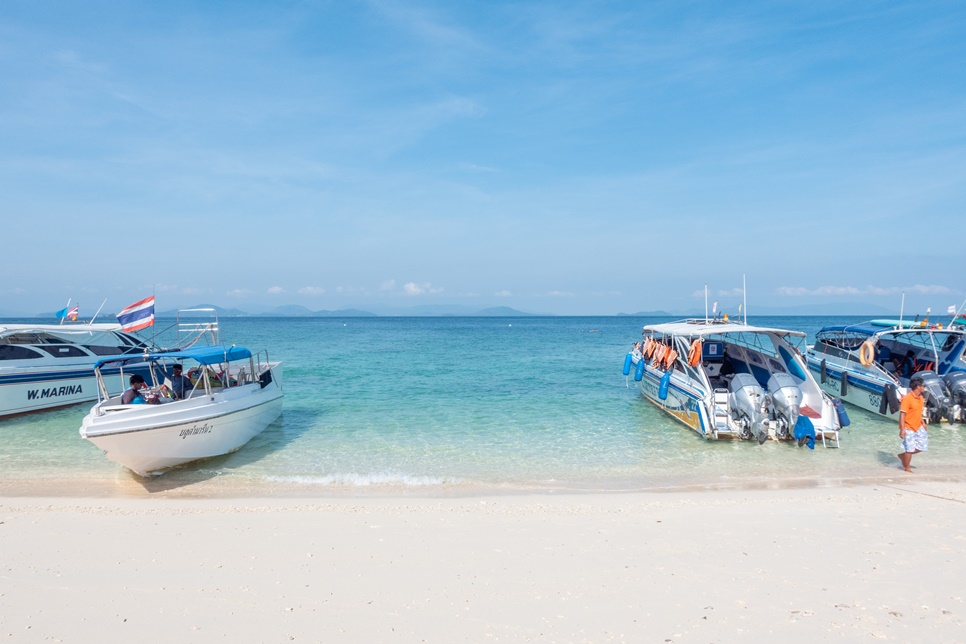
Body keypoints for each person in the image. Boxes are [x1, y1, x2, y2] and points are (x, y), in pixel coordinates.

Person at [897, 376, 928, 473]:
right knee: (909, 449)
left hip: (918, 425)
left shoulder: (921, 397)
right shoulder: (907, 399)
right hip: (908, 427)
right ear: (918, 387)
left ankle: (903, 456)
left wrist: (923, 423)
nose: (924, 387)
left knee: (922, 446)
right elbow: (902, 415)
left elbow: (919, 412)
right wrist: (902, 429)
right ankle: (907, 468)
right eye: (923, 385)